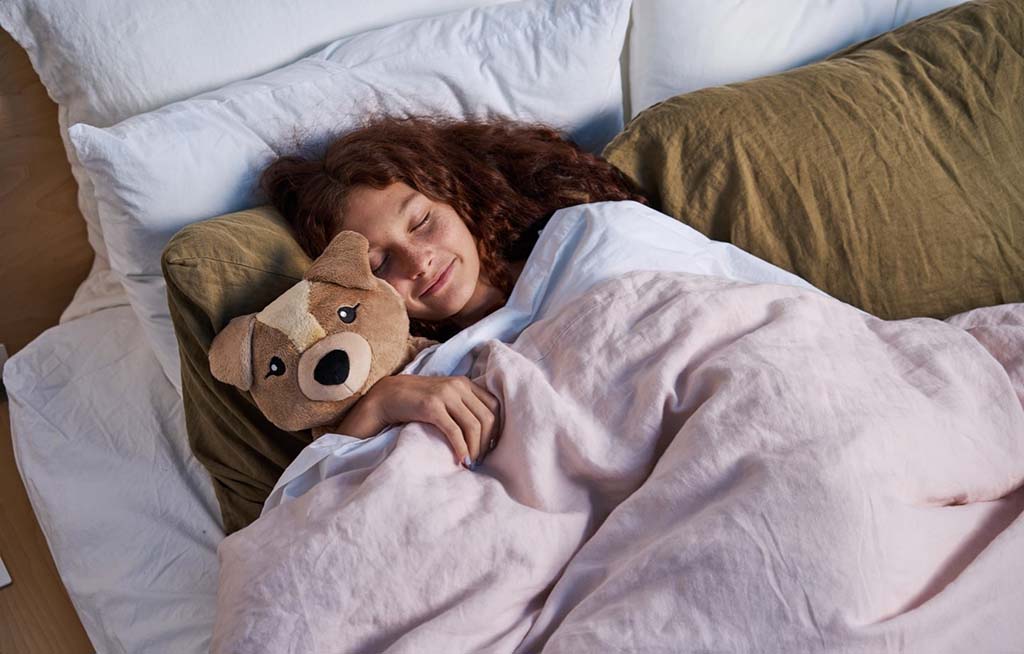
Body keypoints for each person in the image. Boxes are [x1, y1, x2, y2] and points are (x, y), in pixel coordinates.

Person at [261, 115, 646, 469]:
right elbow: (315, 501)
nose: (417, 261)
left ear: (456, 192)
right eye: (379, 265)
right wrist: (378, 405)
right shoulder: (423, 371)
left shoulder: (586, 237)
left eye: (422, 222)